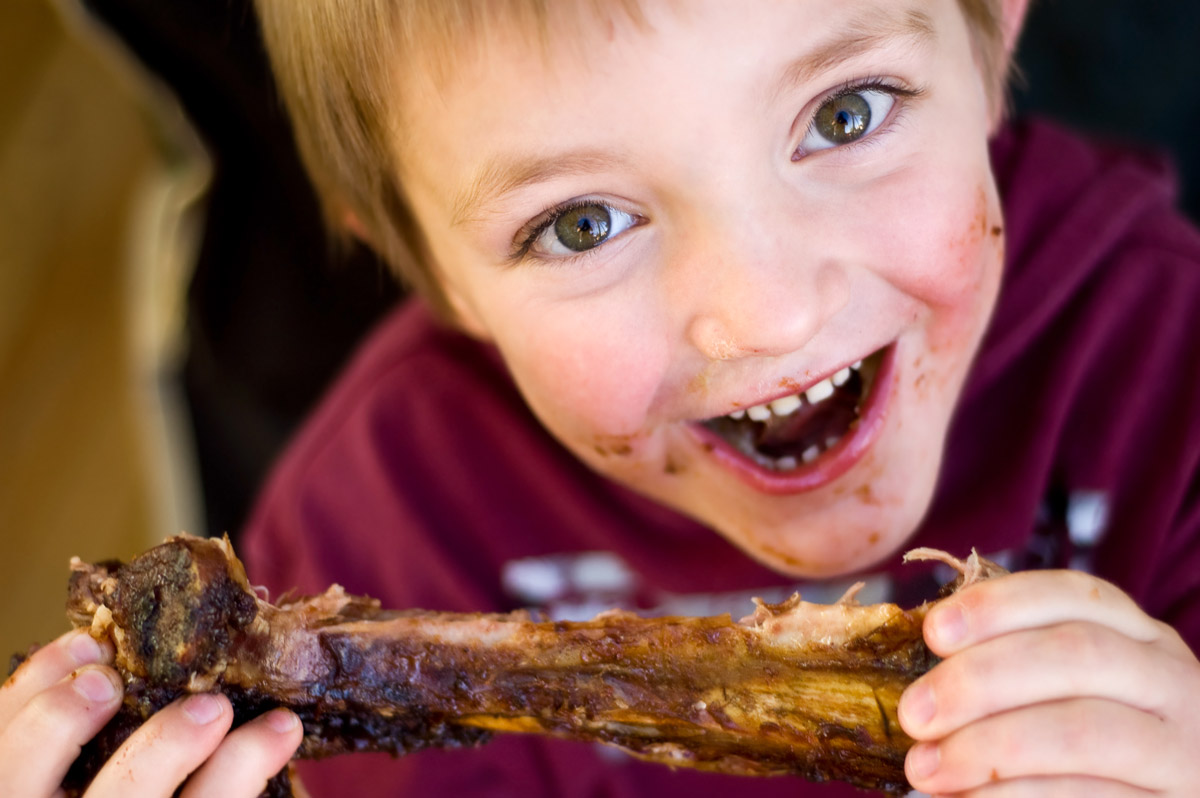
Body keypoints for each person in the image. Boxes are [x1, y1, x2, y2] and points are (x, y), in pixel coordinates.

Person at [5, 0, 1200, 795]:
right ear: (429, 271)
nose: (767, 315)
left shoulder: (1171, 376)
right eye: (584, 224)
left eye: (847, 114)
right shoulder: (383, 526)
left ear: (990, 27)